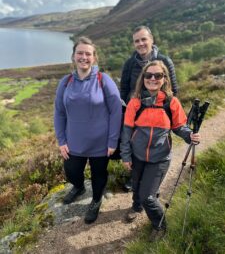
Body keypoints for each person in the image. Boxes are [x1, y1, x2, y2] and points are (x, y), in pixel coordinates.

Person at [120, 60, 200, 241]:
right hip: (137, 154)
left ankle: (160, 225)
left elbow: (180, 126)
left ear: (164, 78)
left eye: (158, 75)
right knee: (136, 184)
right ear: (143, 78)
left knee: (148, 196)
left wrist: (189, 136)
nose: (153, 79)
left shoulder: (171, 103)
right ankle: (136, 207)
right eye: (149, 75)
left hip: (160, 158)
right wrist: (126, 155)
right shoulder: (135, 102)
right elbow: (126, 131)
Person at [54, 36, 122, 224]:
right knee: (72, 171)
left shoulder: (104, 80)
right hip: (73, 141)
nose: (83, 57)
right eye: (80, 53)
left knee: (98, 175)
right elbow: (59, 113)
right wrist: (61, 140)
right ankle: (79, 187)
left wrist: (112, 141)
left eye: (88, 54)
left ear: (94, 58)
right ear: (73, 56)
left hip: (101, 142)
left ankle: (96, 200)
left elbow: (116, 112)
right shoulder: (65, 82)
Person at [120, 25, 178, 192]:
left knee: (157, 148)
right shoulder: (130, 64)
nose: (140, 43)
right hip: (137, 114)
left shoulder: (165, 61)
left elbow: (174, 89)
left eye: (143, 39)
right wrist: (131, 109)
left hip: (160, 113)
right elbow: (123, 90)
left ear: (151, 40)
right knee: (137, 147)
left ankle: (153, 182)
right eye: (136, 41)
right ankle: (135, 178)